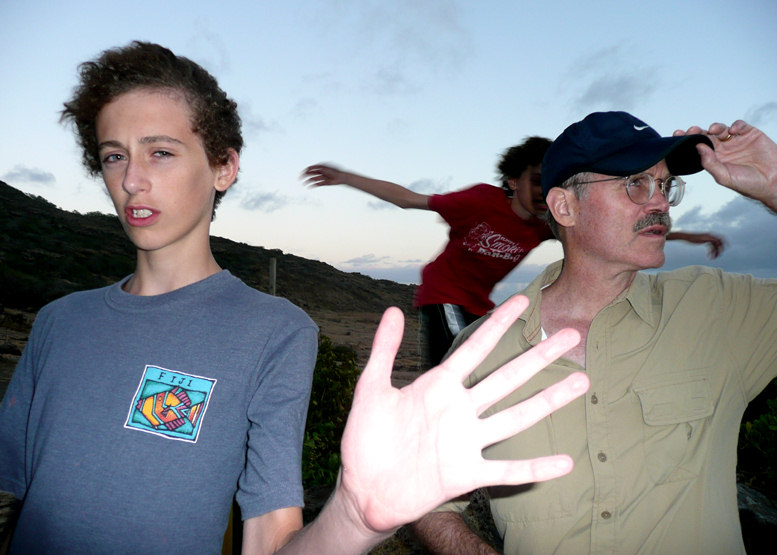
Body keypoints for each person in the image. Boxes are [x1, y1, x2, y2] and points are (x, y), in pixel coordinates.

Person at [0, 41, 591, 554]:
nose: (131, 179)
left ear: (225, 167)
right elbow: (16, 501)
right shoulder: (59, 322)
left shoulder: (273, 331)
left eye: (161, 151)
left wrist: (354, 517)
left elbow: (270, 540)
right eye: (113, 155)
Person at [412, 111, 777, 554]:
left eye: (664, 185)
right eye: (636, 183)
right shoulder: (480, 353)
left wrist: (775, 182)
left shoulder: (717, 308)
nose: (659, 202)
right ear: (565, 207)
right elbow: (426, 498)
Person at [303, 150, 725, 370]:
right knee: (455, 363)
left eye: (549, 184)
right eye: (535, 181)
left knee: (487, 358)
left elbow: (617, 229)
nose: (542, 192)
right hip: (444, 294)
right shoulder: (477, 201)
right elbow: (409, 200)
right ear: (512, 181)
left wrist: (689, 234)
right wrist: (346, 178)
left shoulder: (545, 223)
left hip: (478, 303)